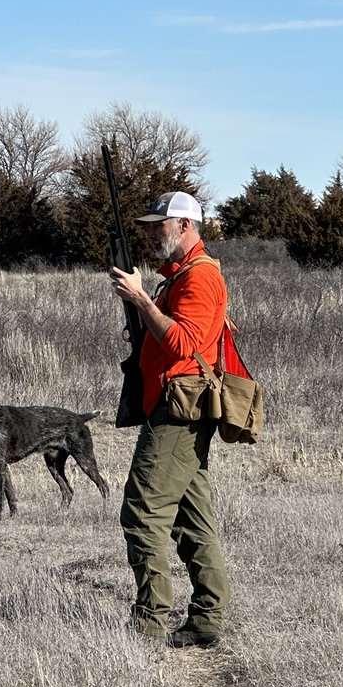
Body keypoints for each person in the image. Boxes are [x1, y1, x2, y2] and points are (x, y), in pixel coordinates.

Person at [109, 191, 231, 648]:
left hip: (179, 411)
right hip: (174, 405)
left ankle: (149, 623)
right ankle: (206, 619)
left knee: (141, 512)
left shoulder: (200, 279)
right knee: (192, 518)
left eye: (158, 224)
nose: (149, 232)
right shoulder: (178, 276)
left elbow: (183, 344)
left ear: (184, 226)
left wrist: (142, 300)